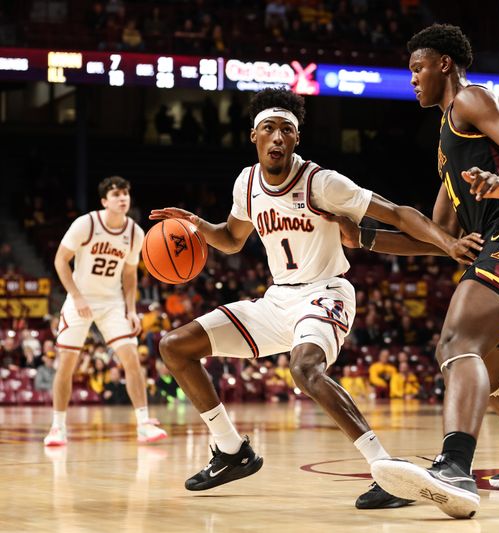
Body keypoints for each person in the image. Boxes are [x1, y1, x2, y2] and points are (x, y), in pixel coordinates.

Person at [151, 88, 481, 494]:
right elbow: (232, 238)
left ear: (296, 139)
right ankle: (231, 449)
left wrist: (447, 245)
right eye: (268, 129)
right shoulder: (246, 182)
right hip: (278, 300)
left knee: (305, 369)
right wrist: (197, 224)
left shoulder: (322, 182)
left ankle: (385, 468)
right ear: (253, 136)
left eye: (286, 130)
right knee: (174, 346)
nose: (277, 137)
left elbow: (396, 213)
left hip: (326, 292)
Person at [341, 24, 499, 519]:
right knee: (488, 375)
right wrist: (362, 237)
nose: (412, 79)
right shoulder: (446, 142)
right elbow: (434, 235)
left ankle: (453, 466)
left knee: (454, 346)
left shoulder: (470, 100)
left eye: (417, 67)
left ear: (444, 64)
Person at [44, 176, 167, 446]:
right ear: (104, 201)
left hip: (112, 303)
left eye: (126, 194)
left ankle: (144, 423)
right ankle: (57, 427)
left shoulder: (135, 232)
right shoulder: (86, 224)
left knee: (132, 358)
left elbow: (130, 273)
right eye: (116, 194)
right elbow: (60, 261)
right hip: (81, 299)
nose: (123, 198)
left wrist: (132, 309)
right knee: (66, 362)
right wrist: (76, 296)